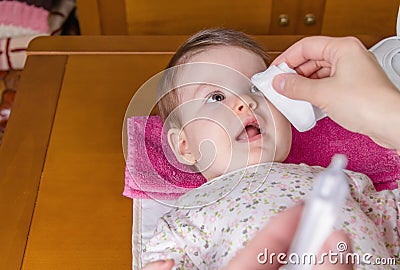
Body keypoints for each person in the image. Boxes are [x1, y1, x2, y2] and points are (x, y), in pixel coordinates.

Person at [142, 29, 400, 269]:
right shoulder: (190, 212)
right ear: (185, 146)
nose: (247, 102)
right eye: (216, 97)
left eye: (258, 88)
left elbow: (390, 219)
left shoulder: (336, 177)